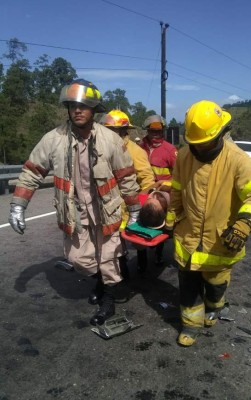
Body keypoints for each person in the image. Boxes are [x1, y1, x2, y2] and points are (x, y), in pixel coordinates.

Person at [8, 79, 141, 326]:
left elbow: (127, 176)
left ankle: (108, 300)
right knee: (81, 260)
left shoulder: (110, 140)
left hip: (106, 211)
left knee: (109, 258)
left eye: (84, 105)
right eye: (72, 105)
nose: (77, 110)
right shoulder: (53, 139)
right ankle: (99, 280)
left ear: (94, 110)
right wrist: (18, 205)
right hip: (74, 213)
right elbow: (32, 172)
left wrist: (134, 209)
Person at [165, 100, 251, 347]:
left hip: (220, 239)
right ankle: (190, 325)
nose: (199, 150)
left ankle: (215, 306)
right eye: (195, 145)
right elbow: (177, 191)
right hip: (188, 237)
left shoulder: (236, 159)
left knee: (215, 284)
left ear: (221, 134)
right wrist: (171, 220)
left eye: (205, 144)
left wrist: (244, 223)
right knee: (188, 286)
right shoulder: (183, 155)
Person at [100, 109, 157, 276]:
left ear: (123, 131)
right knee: (114, 242)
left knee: (136, 239)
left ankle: (141, 262)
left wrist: (143, 202)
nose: (108, 134)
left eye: (112, 130)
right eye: (107, 130)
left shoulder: (135, 151)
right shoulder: (101, 149)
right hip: (108, 206)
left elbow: (147, 179)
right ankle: (122, 268)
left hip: (129, 206)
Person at [140, 115, 178, 264]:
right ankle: (141, 260)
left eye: (159, 132)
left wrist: (168, 185)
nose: (155, 135)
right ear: (147, 131)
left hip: (162, 195)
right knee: (141, 222)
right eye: (152, 131)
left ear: (163, 131)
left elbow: (180, 176)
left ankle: (159, 254)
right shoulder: (140, 148)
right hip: (143, 191)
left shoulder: (170, 150)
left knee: (159, 223)